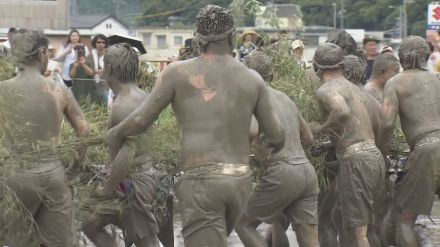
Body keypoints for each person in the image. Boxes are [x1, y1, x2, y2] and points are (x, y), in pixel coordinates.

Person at [105, 5, 285, 246]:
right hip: (239, 183)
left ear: (198, 41)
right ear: (232, 37)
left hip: (202, 182)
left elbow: (139, 120)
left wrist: (114, 133)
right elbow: (276, 135)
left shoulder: (178, 72)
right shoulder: (252, 79)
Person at [0, 29, 89, 246]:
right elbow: (84, 130)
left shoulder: (3, 90)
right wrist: (75, 168)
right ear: (41, 54)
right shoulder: (58, 90)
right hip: (53, 174)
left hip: (16, 175)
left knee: (15, 240)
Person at [236, 51, 319, 247]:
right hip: (306, 171)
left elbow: (251, 131)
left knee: (243, 225)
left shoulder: (252, 98)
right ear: (271, 76)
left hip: (282, 171)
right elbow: (308, 138)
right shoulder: (285, 98)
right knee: (309, 239)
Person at [81, 43, 161, 247]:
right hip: (125, 181)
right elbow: (121, 140)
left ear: (108, 70)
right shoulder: (139, 95)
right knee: (91, 224)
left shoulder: (124, 105)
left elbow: (127, 154)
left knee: (146, 240)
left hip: (133, 183)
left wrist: (106, 187)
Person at [310, 43, 385, 247]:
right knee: (356, 226)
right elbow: (371, 125)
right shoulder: (357, 90)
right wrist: (328, 144)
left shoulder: (326, 89)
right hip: (374, 157)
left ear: (317, 68)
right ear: (342, 65)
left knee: (357, 233)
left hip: (356, 162)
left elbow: (341, 111)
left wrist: (318, 128)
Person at [382, 36, 440, 246]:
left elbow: (387, 124)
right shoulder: (438, 79)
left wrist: (382, 151)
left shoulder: (395, 82)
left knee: (405, 217)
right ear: (426, 55)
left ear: (401, 57)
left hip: (425, 149)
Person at [84, 34, 110, 105]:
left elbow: (113, 69)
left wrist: (104, 70)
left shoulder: (109, 55)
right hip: (93, 87)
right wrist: (95, 71)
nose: (101, 44)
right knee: (94, 109)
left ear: (105, 44)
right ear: (95, 43)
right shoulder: (90, 56)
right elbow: (85, 71)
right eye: (99, 42)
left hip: (106, 86)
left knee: (107, 109)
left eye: (103, 42)